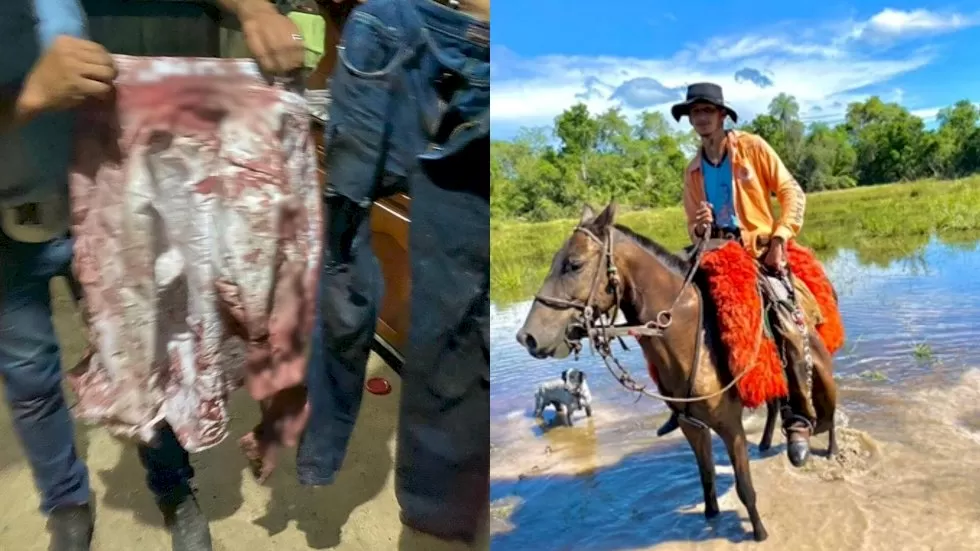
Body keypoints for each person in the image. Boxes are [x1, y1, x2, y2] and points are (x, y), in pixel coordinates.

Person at [0, 1, 304, 550]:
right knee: (28, 376)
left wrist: (253, 7)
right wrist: (28, 95)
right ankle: (65, 503)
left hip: (111, 188)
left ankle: (173, 489)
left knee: (152, 348)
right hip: (9, 210)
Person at [296, 0, 490, 544]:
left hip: (412, 37)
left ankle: (434, 509)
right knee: (448, 332)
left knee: (447, 335)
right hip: (418, 36)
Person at [664, 82, 815, 467]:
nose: (700, 117)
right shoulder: (693, 170)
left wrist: (781, 237)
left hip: (757, 251)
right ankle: (680, 400)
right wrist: (699, 227)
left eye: (706, 110)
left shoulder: (752, 148)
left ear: (721, 115)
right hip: (714, 252)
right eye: (694, 112)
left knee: (787, 327)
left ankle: (797, 419)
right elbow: (692, 228)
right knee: (666, 312)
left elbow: (791, 191)